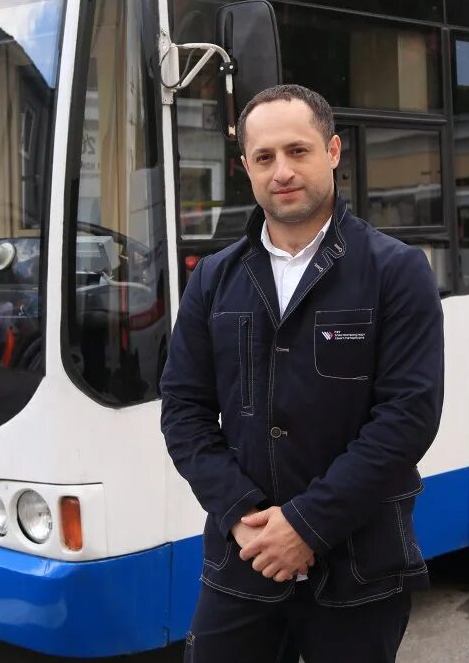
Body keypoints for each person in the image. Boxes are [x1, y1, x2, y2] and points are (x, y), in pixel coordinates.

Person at [160, 84, 444, 662]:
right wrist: (244, 517)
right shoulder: (213, 280)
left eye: (298, 151)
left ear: (333, 152)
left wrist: (306, 526)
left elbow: (408, 419)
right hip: (243, 562)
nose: (281, 171)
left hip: (359, 570)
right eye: (264, 158)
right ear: (245, 169)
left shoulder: (396, 271)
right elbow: (184, 413)